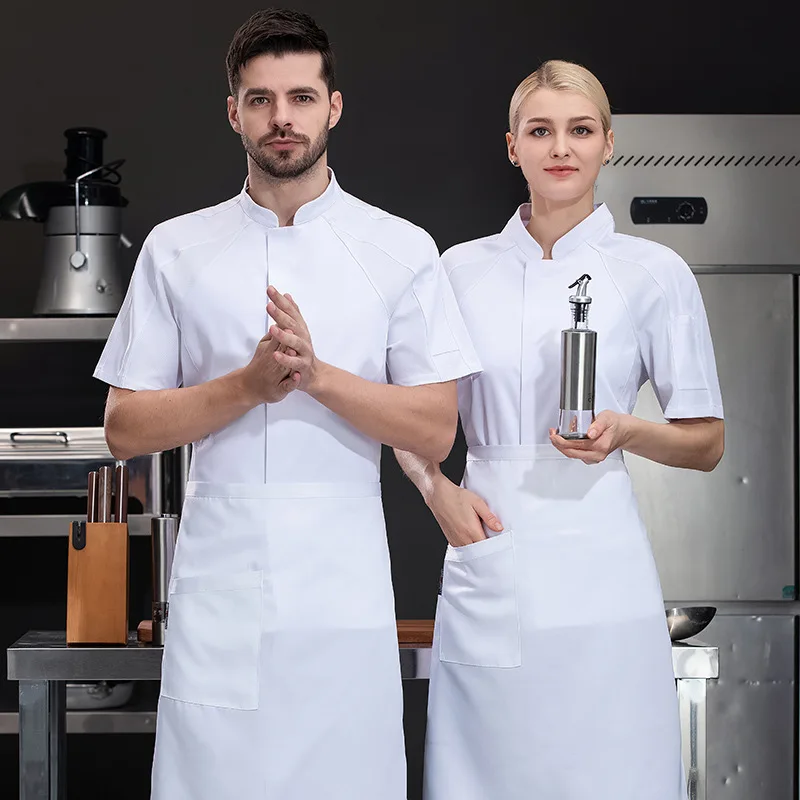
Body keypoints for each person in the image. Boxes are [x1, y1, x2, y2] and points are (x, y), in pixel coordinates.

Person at [93, 9, 480, 800]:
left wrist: (317, 375)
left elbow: (434, 426)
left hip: (342, 586)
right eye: (261, 99)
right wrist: (244, 386)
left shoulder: (400, 248)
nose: (282, 119)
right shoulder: (177, 248)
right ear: (233, 111)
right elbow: (125, 428)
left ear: (333, 106)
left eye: (301, 97)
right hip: (219, 579)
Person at [395, 59, 724, 800]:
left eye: (579, 130)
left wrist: (626, 434)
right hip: (491, 551)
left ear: (609, 143)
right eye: (540, 130)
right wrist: (433, 487)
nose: (560, 148)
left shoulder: (653, 272)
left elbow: (706, 442)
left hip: (601, 571)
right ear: (512, 146)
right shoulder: (457, 271)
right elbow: (408, 415)